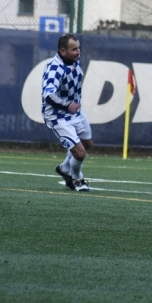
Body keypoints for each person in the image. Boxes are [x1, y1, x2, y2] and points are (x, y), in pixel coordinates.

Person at [42, 33, 92, 192]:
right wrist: (67, 105)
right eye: (74, 49)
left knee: (87, 143)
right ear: (63, 51)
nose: (79, 52)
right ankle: (76, 178)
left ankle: (64, 168)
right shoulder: (54, 68)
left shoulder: (75, 61)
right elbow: (48, 95)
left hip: (75, 113)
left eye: (79, 48)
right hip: (57, 116)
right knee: (79, 153)